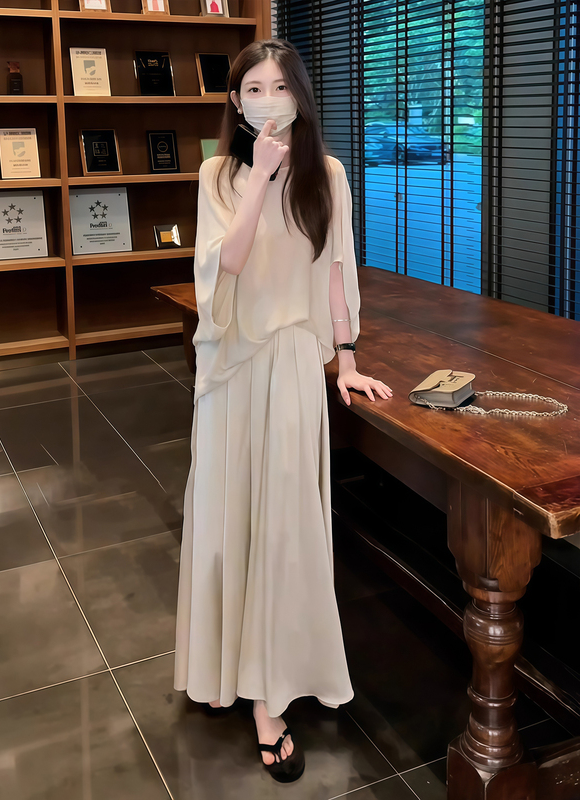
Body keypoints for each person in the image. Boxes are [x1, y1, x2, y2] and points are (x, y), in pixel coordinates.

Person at [174, 38, 392, 783]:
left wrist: (348, 359)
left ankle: (271, 697)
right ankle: (223, 667)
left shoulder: (327, 173)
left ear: (300, 94)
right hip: (233, 369)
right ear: (235, 102)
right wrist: (260, 180)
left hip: (295, 363)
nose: (267, 99)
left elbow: (335, 271)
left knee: (285, 526)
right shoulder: (217, 174)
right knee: (227, 516)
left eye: (279, 86)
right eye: (252, 88)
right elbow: (224, 266)